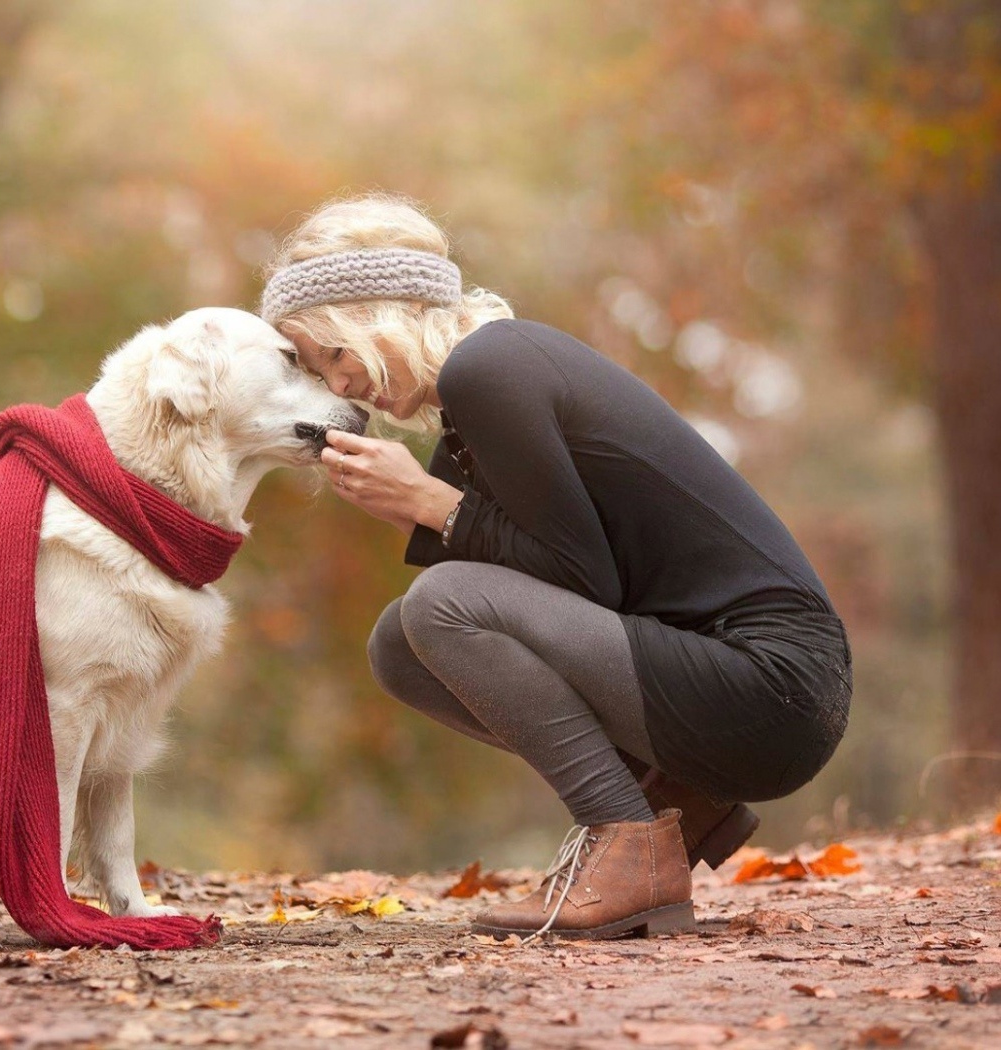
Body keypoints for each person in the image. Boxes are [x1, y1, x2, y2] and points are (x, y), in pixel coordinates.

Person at [258, 193, 852, 940]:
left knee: (441, 603)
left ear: (377, 314)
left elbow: (582, 582)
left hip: (771, 687)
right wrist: (426, 503)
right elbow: (565, 581)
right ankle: (672, 802)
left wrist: (432, 502)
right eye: (320, 372)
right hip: (736, 686)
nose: (339, 387)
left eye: (334, 355)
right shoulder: (476, 397)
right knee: (400, 645)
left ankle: (628, 840)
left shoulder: (491, 367)